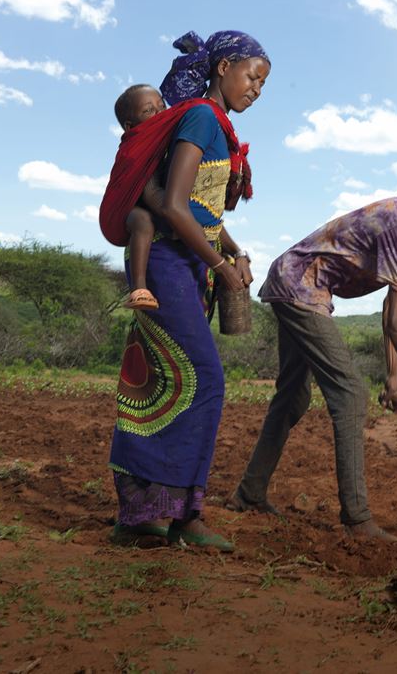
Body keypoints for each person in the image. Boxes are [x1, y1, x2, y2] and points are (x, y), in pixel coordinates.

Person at [225, 165, 397, 542]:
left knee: (292, 399)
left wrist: (394, 379)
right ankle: (357, 520)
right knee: (350, 395)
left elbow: (393, 312)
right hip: (301, 287)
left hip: (299, 284)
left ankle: (248, 494)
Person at [102, 30, 271, 551]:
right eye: (252, 76)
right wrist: (220, 265)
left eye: (264, 83)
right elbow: (174, 207)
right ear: (222, 68)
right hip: (171, 265)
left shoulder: (213, 124)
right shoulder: (199, 117)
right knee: (202, 379)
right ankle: (164, 514)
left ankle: (168, 514)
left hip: (187, 267)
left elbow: (203, 212)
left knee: (168, 381)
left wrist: (234, 250)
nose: (257, 89)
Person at [112, 84, 168, 310]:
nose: (159, 113)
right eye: (148, 111)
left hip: (159, 206)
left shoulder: (167, 140)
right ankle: (139, 288)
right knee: (142, 221)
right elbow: (150, 193)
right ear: (130, 126)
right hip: (128, 208)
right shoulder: (135, 148)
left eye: (161, 106)